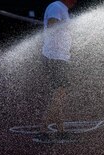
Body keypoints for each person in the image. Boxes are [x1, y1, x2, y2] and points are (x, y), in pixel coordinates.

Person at [38, 0, 77, 141]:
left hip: (59, 58)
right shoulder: (56, 7)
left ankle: (61, 131)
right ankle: (42, 130)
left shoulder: (62, 8)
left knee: (58, 96)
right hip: (54, 58)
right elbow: (51, 26)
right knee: (59, 94)